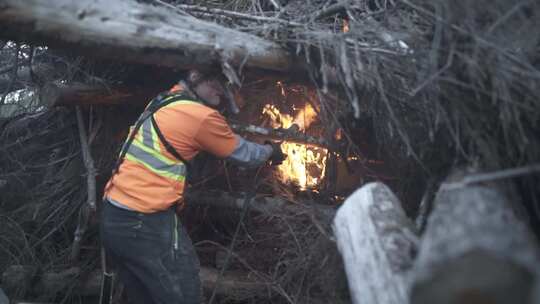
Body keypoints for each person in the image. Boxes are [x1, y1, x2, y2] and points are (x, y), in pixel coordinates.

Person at [100, 69, 285, 304]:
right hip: (144, 223)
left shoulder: (165, 99)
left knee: (144, 297)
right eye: (215, 81)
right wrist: (271, 150)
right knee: (185, 292)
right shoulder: (201, 116)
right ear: (195, 75)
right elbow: (245, 154)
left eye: (226, 83)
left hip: (114, 217)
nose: (222, 88)